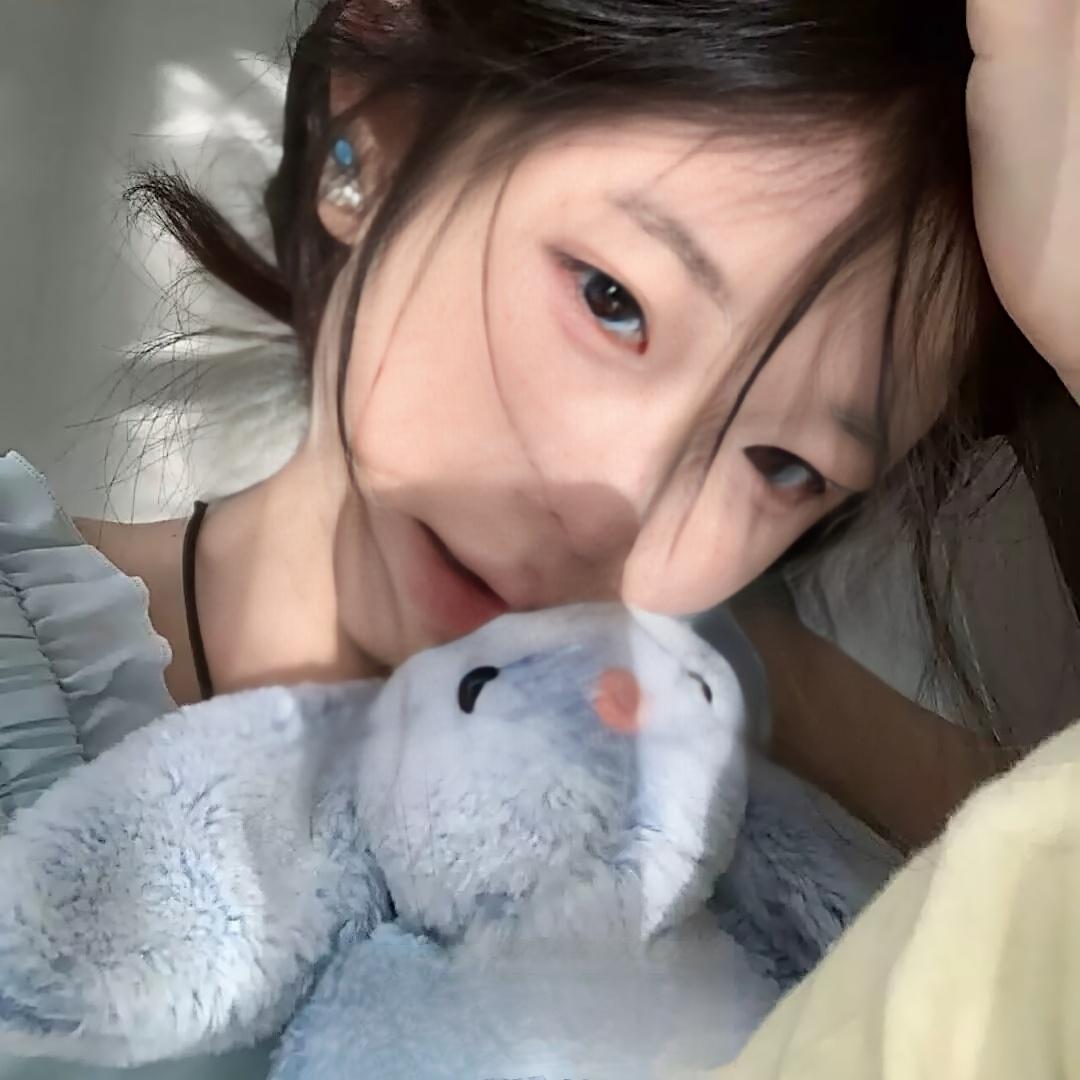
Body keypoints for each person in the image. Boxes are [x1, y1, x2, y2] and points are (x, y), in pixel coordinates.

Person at [1, 0, 1077, 1073]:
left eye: (783, 465)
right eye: (613, 300)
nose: (628, 512)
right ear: (378, 129)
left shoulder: (744, 786)